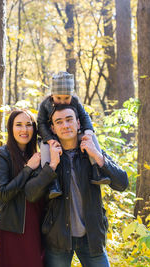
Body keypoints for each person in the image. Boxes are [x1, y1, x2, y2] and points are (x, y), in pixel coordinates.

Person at [25, 104, 129, 267]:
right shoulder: (48, 157)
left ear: (78, 123)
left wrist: (98, 155)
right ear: (52, 128)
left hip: (92, 237)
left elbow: (122, 183)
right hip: (58, 239)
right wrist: (52, 165)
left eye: (69, 120)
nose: (65, 125)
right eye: (59, 122)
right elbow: (31, 194)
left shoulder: (92, 153)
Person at [0, 109, 58, 267]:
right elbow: (3, 193)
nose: (24, 130)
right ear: (11, 128)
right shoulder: (1, 155)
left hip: (37, 224)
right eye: (18, 125)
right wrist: (28, 169)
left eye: (28, 125)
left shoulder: (38, 154)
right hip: (13, 226)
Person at [37, 71, 110, 199]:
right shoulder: (45, 105)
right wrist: (49, 140)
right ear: (52, 94)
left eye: (66, 98)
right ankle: (52, 183)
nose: (63, 101)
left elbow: (84, 116)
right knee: (45, 150)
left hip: (74, 132)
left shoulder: (75, 102)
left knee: (91, 139)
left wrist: (88, 132)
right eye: (58, 98)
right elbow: (41, 123)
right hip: (50, 135)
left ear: (71, 95)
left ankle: (96, 169)